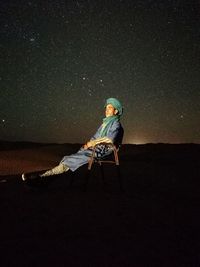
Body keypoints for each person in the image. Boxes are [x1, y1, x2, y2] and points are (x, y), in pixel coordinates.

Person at [22, 97, 124, 181]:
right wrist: (88, 144)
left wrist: (92, 143)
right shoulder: (104, 124)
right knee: (69, 158)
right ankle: (46, 178)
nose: (106, 109)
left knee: (72, 159)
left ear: (116, 111)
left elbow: (110, 140)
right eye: (106, 108)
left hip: (103, 150)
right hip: (95, 149)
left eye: (110, 108)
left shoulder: (116, 124)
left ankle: (43, 177)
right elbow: (95, 137)